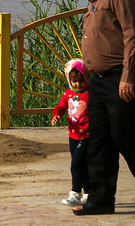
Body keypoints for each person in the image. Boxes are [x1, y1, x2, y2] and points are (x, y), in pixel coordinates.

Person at [61, 0, 135, 215]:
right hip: (99, 81)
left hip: (121, 77)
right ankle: (101, 199)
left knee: (123, 136)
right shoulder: (94, 2)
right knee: (99, 140)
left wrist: (128, 76)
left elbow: (132, 36)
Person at [51, 58, 90, 208]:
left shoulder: (90, 94)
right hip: (72, 135)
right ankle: (87, 193)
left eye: (81, 81)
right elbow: (60, 107)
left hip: (86, 136)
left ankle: (75, 193)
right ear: (69, 80)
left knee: (76, 164)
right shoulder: (68, 94)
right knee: (81, 164)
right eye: (74, 81)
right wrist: (56, 115)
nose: (77, 84)